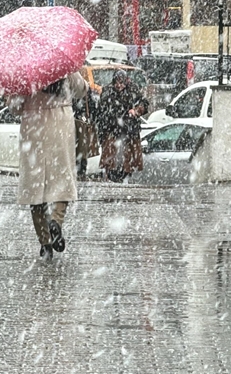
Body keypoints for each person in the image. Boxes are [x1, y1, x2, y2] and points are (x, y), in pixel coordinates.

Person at [12, 72, 88, 259]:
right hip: (60, 123)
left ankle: (45, 242)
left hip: (33, 126)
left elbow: (14, 107)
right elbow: (80, 90)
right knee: (62, 179)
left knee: (35, 186)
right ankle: (56, 221)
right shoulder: (63, 65)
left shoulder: (25, 69)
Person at [96, 71, 149, 183]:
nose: (119, 85)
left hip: (129, 133)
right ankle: (114, 179)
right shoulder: (107, 92)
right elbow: (101, 113)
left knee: (127, 165)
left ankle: (124, 180)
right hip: (112, 131)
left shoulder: (133, 90)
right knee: (111, 165)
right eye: (117, 82)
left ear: (126, 82)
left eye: (121, 82)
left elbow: (145, 104)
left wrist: (136, 111)